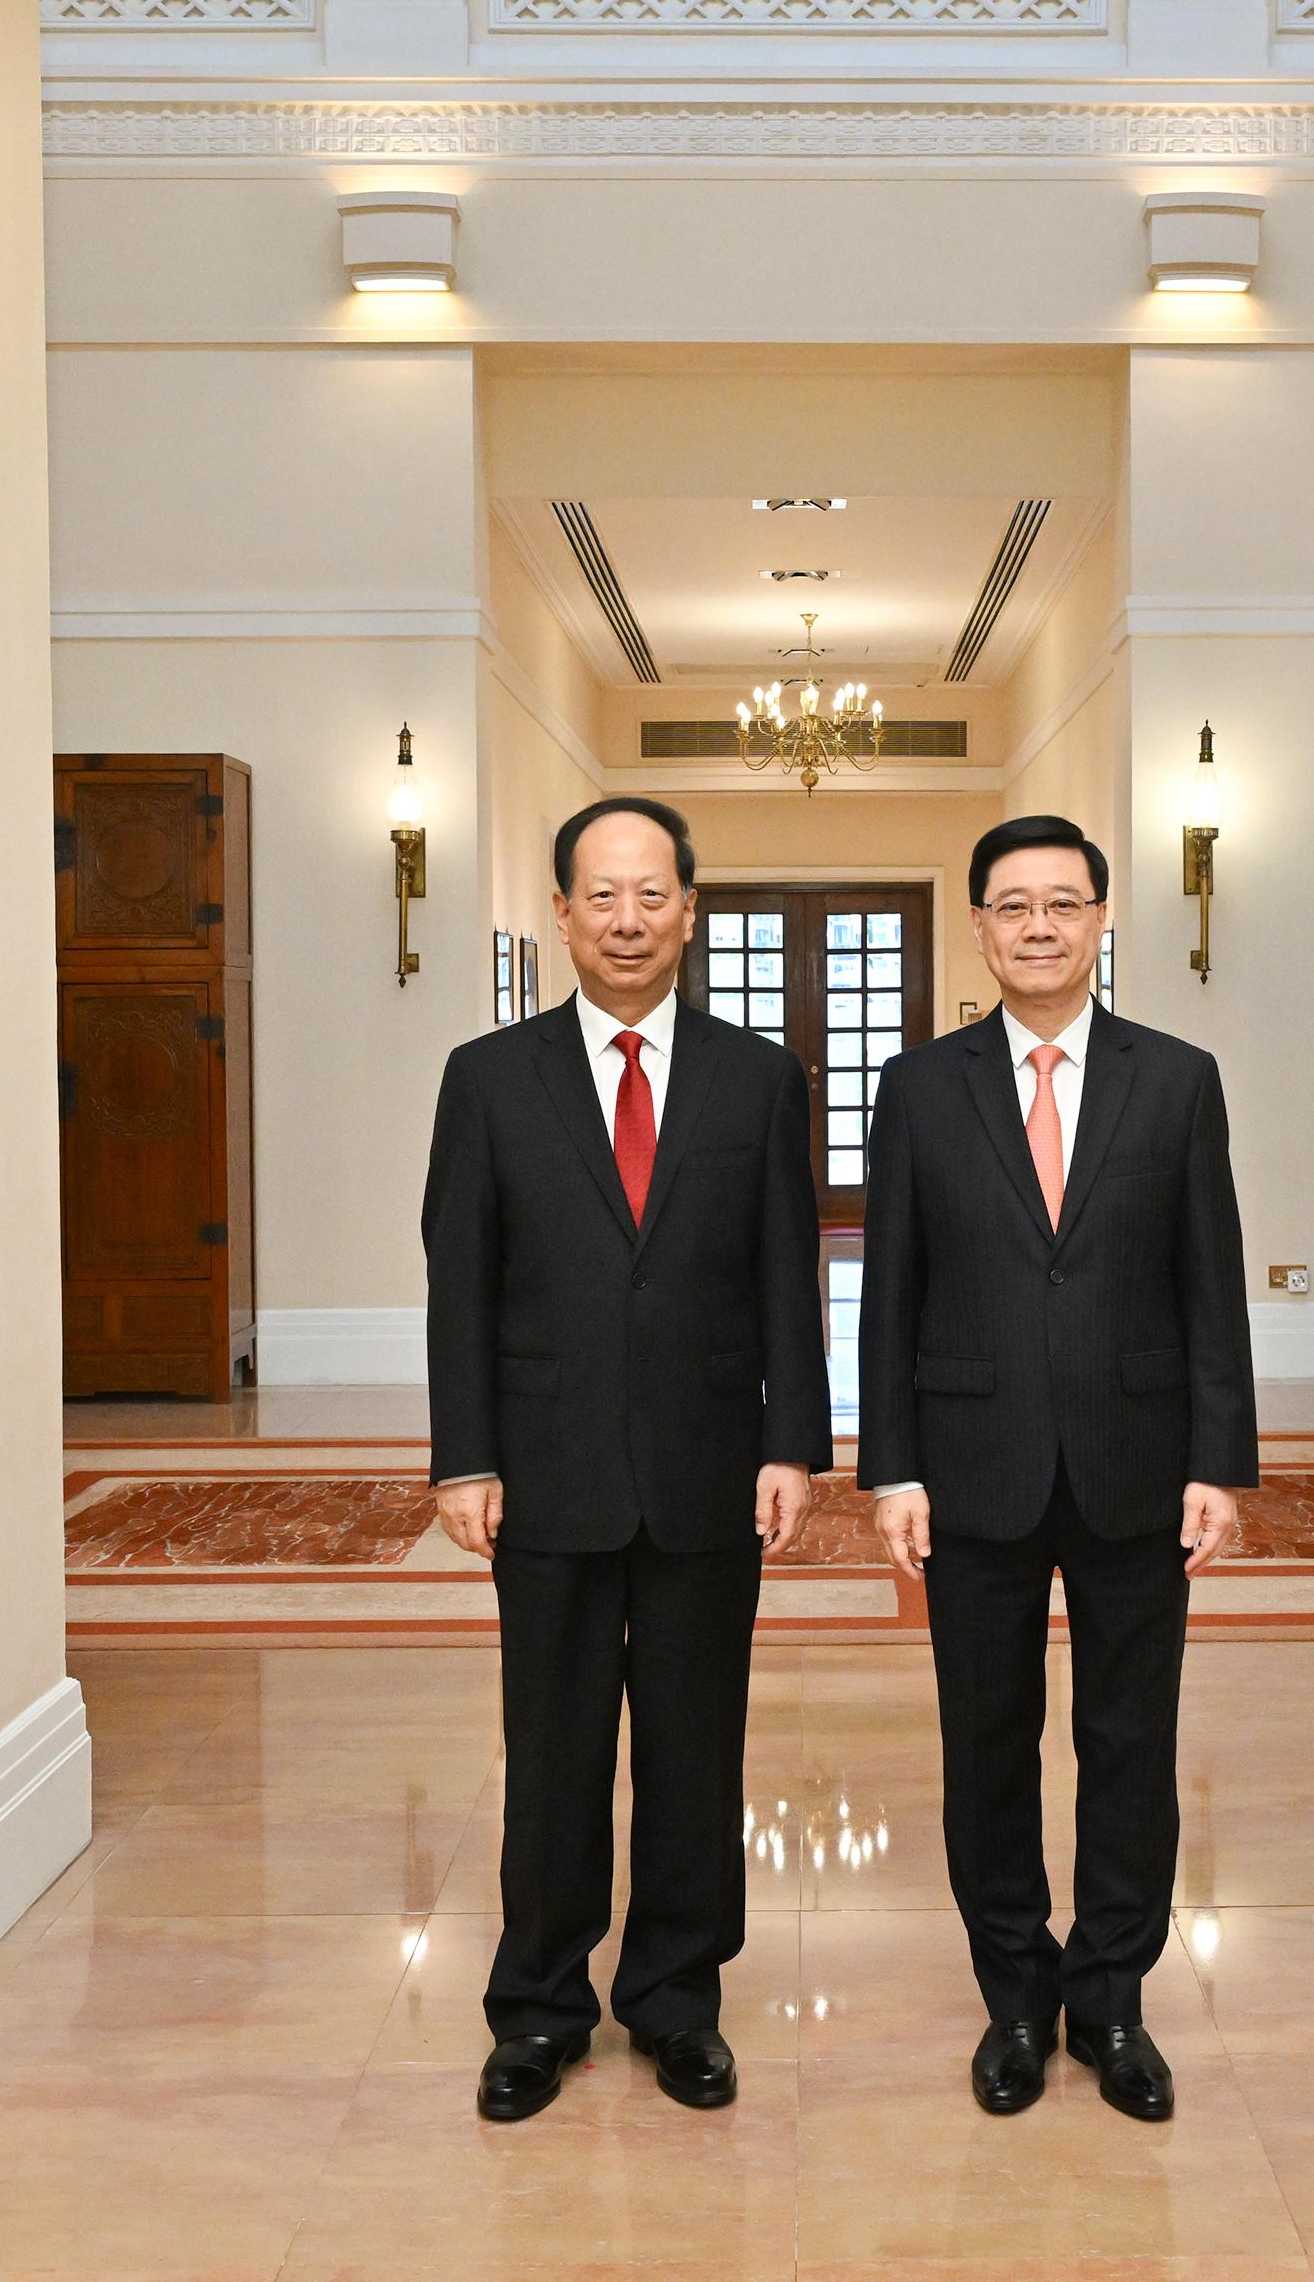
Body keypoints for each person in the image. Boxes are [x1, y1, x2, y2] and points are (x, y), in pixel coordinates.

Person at [422, 795, 830, 2122]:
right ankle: (539, 2008)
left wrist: (793, 1444)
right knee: (551, 1752)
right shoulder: (488, 1079)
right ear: (561, 915)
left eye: (652, 894)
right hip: (542, 1472)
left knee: (695, 1753)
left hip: (714, 1467)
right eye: (602, 895)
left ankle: (675, 2002)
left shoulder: (756, 1079)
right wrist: (463, 1456)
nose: (628, 919)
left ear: (689, 912)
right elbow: (459, 1285)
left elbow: (789, 1276)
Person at [858, 813, 1253, 2122]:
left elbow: (1212, 1286)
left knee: (1130, 1741)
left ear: (1098, 922)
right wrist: (892, 1470)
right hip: (969, 1469)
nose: (1038, 926)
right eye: (1013, 905)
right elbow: (889, 1295)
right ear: (979, 926)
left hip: (1141, 1466)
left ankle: (1115, 1999)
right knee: (989, 1742)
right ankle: (1016, 1999)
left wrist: (1220, 1459)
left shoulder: (1178, 1079)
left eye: (1063, 904)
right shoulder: (918, 1088)